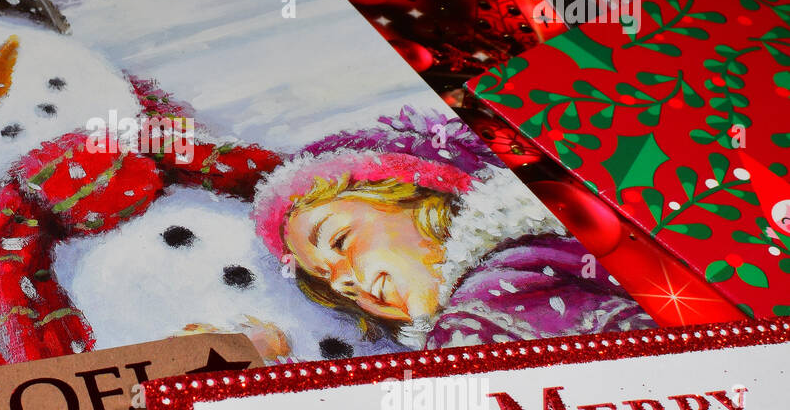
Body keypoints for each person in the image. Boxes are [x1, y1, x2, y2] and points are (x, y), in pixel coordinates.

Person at [251, 106, 654, 350]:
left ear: (420, 197)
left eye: (339, 240)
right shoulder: (553, 250)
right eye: (324, 279)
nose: (341, 285)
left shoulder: (487, 304)